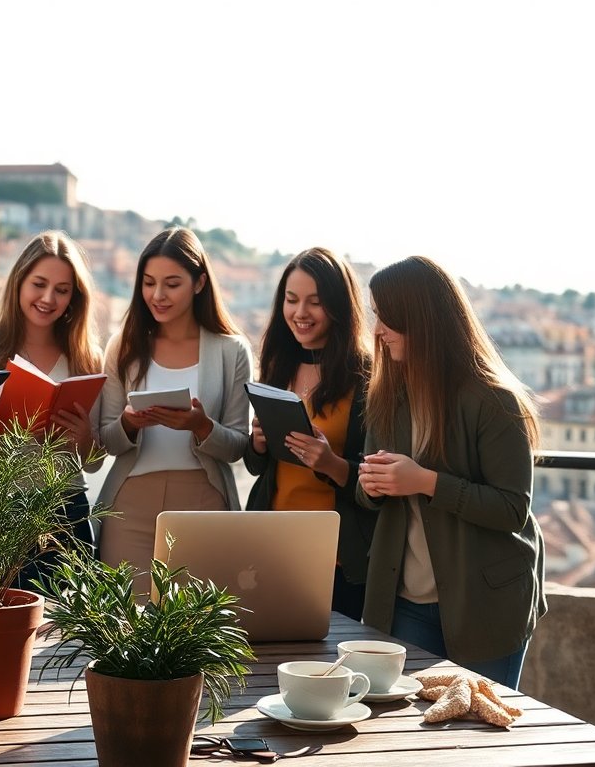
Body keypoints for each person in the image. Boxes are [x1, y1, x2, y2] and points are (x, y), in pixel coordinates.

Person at [356, 255, 545, 689]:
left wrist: (425, 482)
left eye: (387, 317)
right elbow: (366, 494)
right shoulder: (386, 394)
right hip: (403, 601)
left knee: (480, 722)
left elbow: (512, 508)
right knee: (403, 724)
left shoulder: (494, 399)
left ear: (422, 320)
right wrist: (373, 485)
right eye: (376, 315)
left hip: (485, 605)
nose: (377, 330)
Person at [97, 227, 252, 591]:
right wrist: (128, 424)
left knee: (196, 619)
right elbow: (106, 440)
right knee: (127, 619)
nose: (157, 295)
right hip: (129, 507)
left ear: (199, 283)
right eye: (148, 283)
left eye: (172, 284)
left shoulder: (232, 351)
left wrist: (201, 427)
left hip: (203, 501)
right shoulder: (123, 346)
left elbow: (238, 445)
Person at [0, 230, 105, 588]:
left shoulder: (87, 358)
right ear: (19, 282)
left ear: (74, 297)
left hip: (65, 511)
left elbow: (94, 463)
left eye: (62, 290)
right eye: (39, 284)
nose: (48, 298)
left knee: (64, 621)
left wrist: (83, 438)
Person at [243, 247, 373, 620]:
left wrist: (330, 463)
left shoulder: (365, 375)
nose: (300, 313)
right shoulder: (277, 362)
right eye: (291, 300)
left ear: (339, 307)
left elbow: (376, 485)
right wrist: (258, 444)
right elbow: (257, 467)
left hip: (335, 554)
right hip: (271, 542)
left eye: (315, 303)